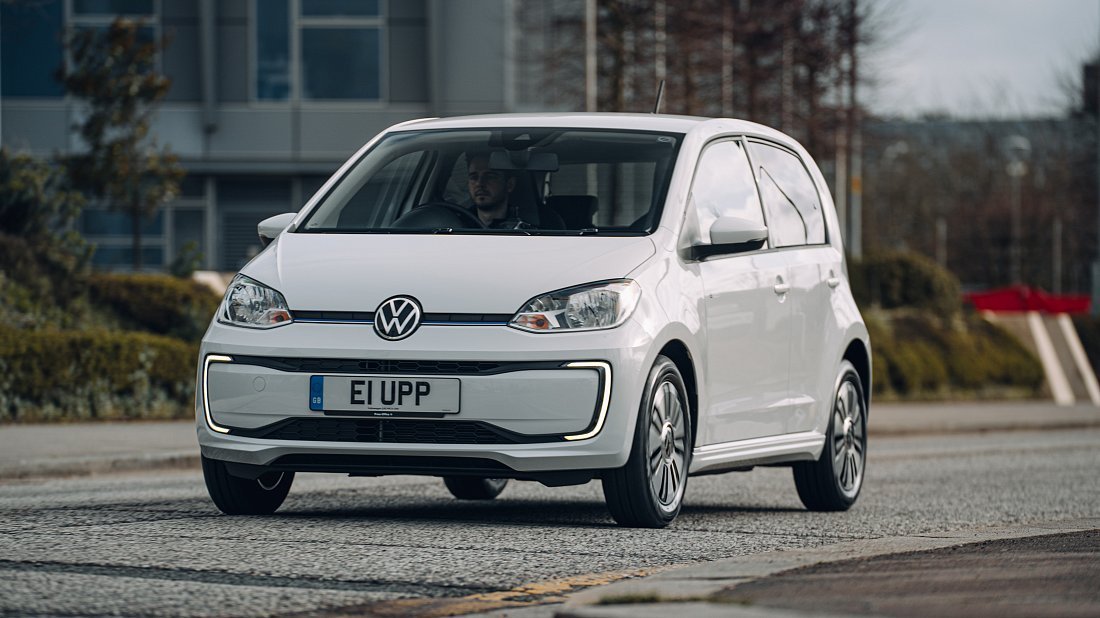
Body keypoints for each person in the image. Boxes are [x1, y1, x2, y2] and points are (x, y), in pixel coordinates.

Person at [466, 153, 516, 227]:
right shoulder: (454, 225)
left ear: (510, 185)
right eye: (474, 177)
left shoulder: (525, 232)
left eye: (490, 177)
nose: (479, 183)